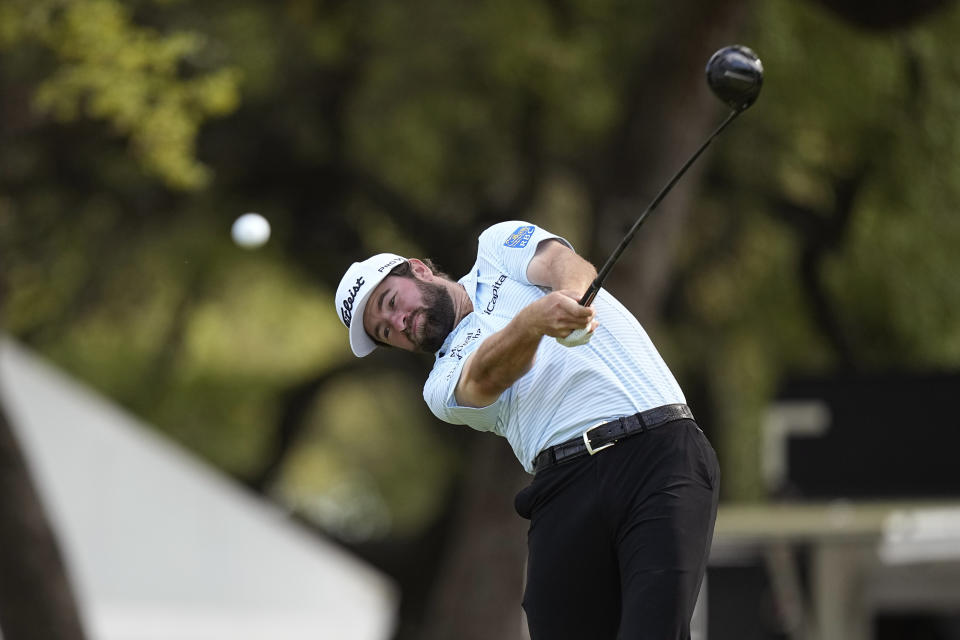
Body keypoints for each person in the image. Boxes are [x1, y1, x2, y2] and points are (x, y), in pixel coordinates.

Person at [335, 220, 720, 640]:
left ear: (418, 269)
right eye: (386, 331)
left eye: (391, 302)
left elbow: (561, 261)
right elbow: (486, 377)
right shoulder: (439, 385)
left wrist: (570, 299)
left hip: (659, 453)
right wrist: (534, 323)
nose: (400, 322)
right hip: (564, 487)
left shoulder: (496, 248)